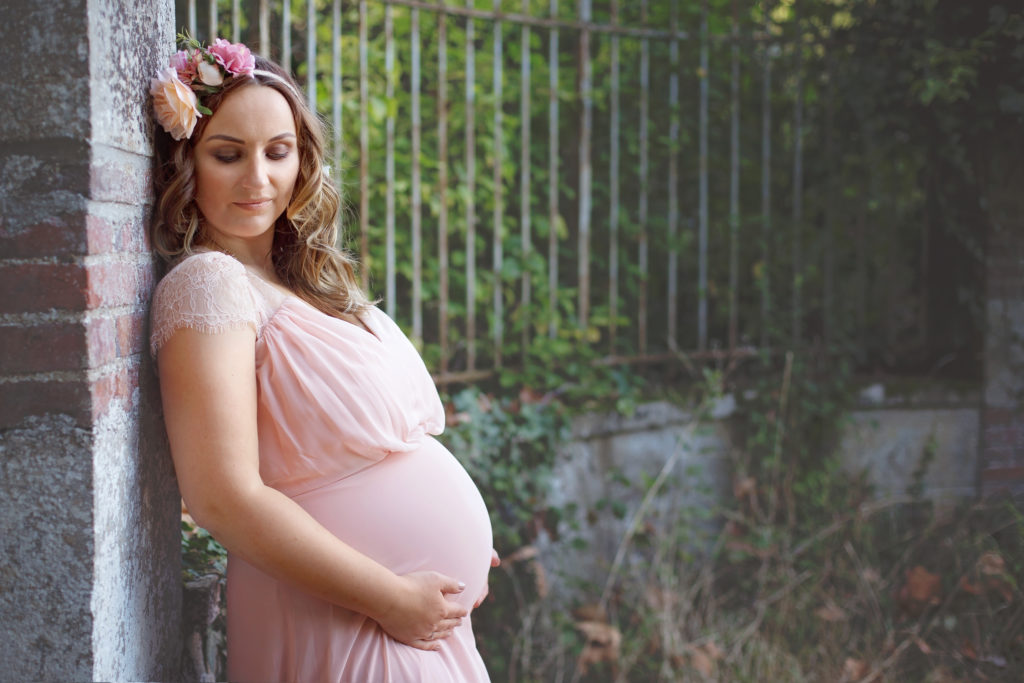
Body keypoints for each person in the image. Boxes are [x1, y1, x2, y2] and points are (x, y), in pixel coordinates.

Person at [148, 35, 498, 682]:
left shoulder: (302, 280)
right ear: (185, 164)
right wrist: (390, 596)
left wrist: (455, 543)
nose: (259, 179)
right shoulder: (208, 285)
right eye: (228, 155)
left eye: (278, 153)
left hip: (407, 614)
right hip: (346, 612)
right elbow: (224, 497)